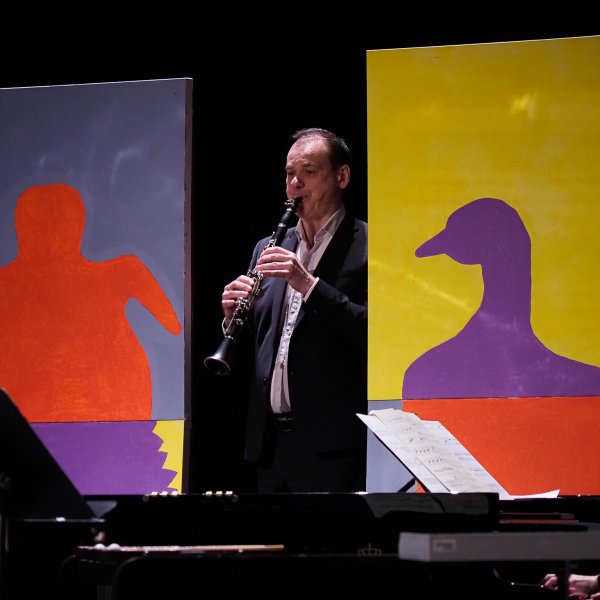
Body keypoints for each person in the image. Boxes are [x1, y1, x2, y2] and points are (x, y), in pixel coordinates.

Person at [219, 127, 368, 493]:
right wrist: (230, 318)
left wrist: (310, 286)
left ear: (342, 176)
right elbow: (266, 340)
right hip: (270, 447)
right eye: (289, 174)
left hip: (331, 449)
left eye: (309, 172)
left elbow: (372, 333)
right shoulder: (267, 248)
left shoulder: (369, 245)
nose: (295, 183)